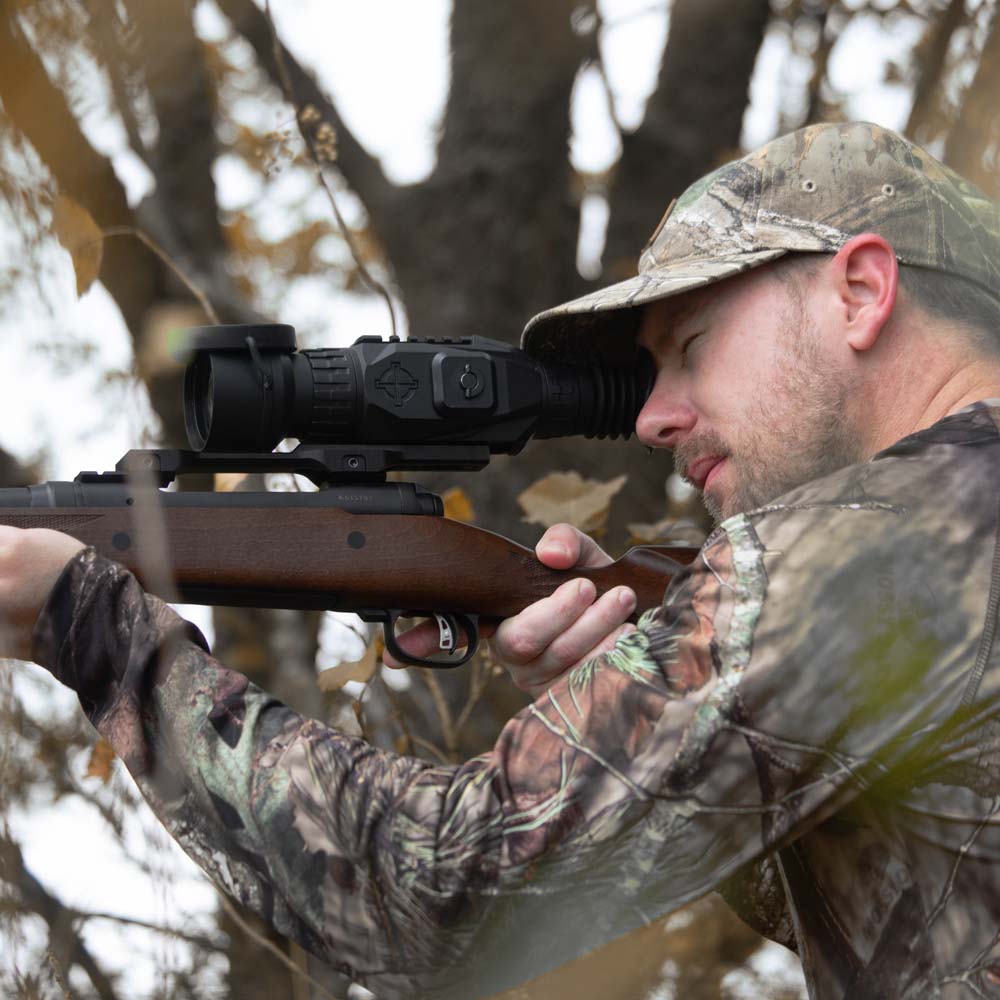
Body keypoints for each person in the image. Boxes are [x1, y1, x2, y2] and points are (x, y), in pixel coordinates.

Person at [2, 120, 1000, 999]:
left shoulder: (883, 541)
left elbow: (436, 900)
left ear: (861, 291)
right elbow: (924, 918)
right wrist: (659, 705)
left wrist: (89, 624)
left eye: (692, 345)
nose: (654, 417)